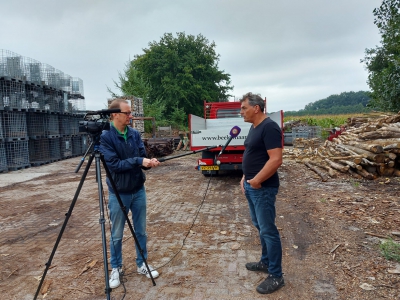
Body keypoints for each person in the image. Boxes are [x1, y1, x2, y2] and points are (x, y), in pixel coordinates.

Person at [100, 99, 160, 289]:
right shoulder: (105, 137)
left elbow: (142, 158)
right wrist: (139, 160)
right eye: (127, 113)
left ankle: (142, 263)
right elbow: (115, 166)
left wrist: (149, 163)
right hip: (118, 193)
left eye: (131, 112)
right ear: (115, 114)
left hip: (138, 190)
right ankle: (116, 267)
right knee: (117, 234)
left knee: (141, 231)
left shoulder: (134, 134)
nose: (130, 116)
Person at [239, 92, 284, 294]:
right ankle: (265, 262)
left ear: (256, 108)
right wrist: (245, 176)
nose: (241, 112)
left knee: (268, 230)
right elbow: (253, 154)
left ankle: (276, 275)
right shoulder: (254, 127)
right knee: (260, 226)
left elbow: (275, 159)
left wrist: (257, 180)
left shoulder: (270, 127)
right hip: (251, 185)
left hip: (263, 188)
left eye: (244, 108)